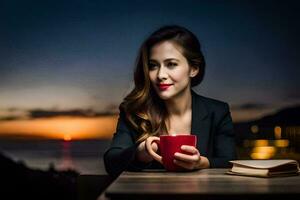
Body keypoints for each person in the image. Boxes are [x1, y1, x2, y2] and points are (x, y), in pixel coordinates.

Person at [103, 25, 236, 177]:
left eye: (171, 64)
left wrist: (202, 163)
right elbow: (111, 162)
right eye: (153, 66)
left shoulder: (218, 111)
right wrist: (141, 153)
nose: (160, 75)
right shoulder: (134, 111)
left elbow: (230, 161)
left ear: (194, 68)